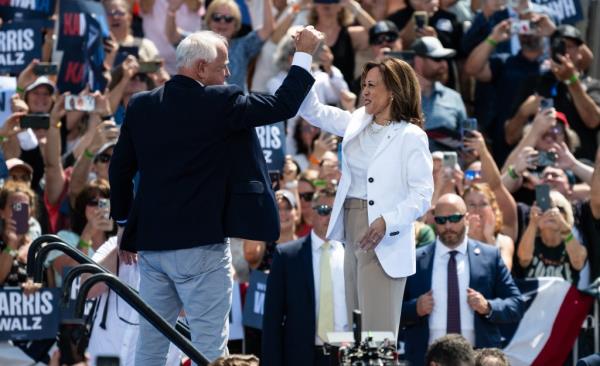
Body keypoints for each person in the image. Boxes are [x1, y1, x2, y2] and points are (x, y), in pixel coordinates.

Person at [109, 28, 320, 364]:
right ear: (201, 68)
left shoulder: (141, 105)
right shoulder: (220, 101)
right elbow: (283, 105)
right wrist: (305, 53)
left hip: (152, 247)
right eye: (223, 66)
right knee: (209, 349)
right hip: (201, 249)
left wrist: (123, 223)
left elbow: (119, 170)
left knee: (149, 346)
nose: (228, 73)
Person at [298, 57, 434, 339]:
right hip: (352, 228)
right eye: (364, 85)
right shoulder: (355, 123)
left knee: (377, 338)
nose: (365, 92)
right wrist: (304, 58)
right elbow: (311, 110)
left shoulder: (411, 136)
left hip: (384, 237)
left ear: (393, 92)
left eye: (372, 86)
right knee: (354, 335)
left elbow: (422, 194)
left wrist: (388, 221)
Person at [401, 194, 523, 366]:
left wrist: (487, 307)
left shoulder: (489, 257)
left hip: (477, 358)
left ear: (466, 218)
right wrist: (415, 308)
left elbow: (516, 304)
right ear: (434, 221)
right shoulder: (415, 259)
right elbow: (394, 311)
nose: (448, 225)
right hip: (427, 359)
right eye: (442, 220)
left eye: (454, 218)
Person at [262, 188, 347, 366]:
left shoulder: (353, 256)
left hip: (345, 354)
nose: (330, 216)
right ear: (311, 213)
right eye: (324, 210)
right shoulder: (287, 256)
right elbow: (272, 319)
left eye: (336, 210)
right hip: (300, 356)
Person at [410, 37, 467, 152]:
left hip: (447, 167)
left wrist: (470, 150)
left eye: (445, 59)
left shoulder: (454, 97)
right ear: (418, 61)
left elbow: (466, 139)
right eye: (437, 59)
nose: (444, 64)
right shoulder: (397, 97)